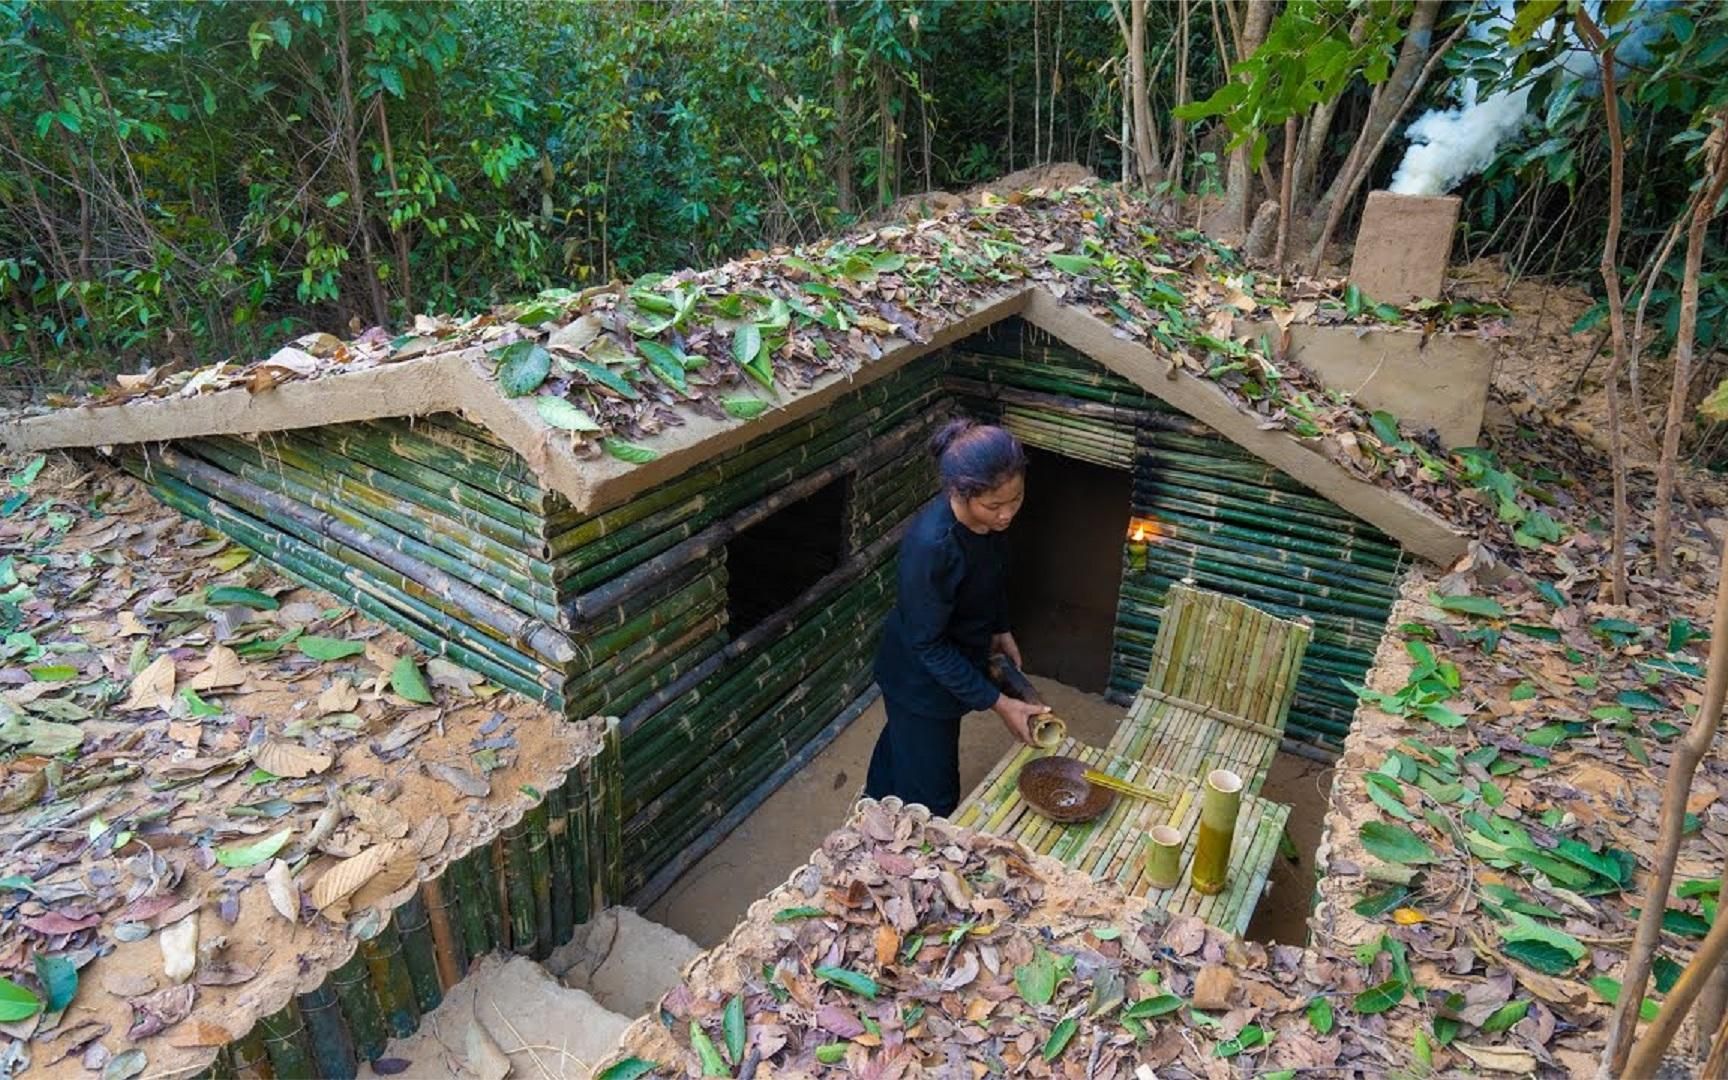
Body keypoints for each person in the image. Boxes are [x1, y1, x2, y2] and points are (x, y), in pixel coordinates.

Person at [864, 418, 1049, 817]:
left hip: (951, 661)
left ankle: (870, 807)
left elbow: (991, 576)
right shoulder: (932, 548)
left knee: (902, 746)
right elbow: (927, 644)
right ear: (959, 493)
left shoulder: (988, 524)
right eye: (994, 506)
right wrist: (999, 702)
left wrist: (1000, 627)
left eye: (1015, 500)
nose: (1006, 515)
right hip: (918, 680)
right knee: (934, 797)